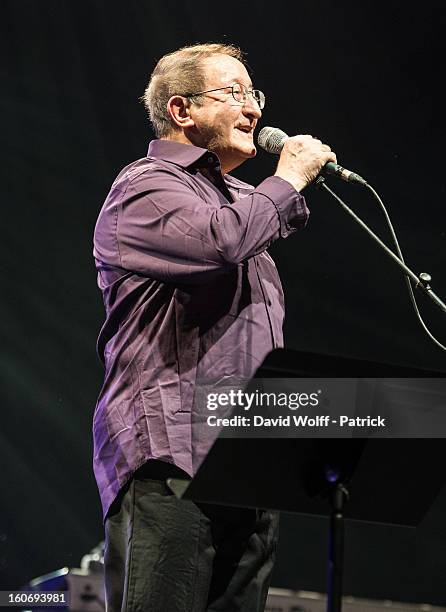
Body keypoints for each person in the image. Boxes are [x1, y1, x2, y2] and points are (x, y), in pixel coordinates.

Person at [93, 42, 336, 612]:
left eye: (256, 94)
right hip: (174, 461)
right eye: (235, 94)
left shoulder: (245, 204)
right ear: (182, 111)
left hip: (248, 468)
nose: (254, 109)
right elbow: (220, 242)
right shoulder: (145, 187)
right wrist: (290, 177)